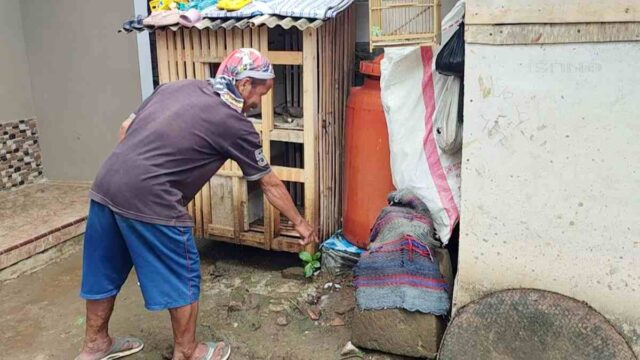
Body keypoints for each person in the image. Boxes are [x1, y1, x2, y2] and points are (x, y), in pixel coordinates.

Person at [76, 48, 318, 360]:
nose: (260, 102)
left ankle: (95, 345)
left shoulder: (176, 87)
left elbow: (125, 128)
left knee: (103, 268)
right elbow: (268, 182)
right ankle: (188, 352)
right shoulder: (234, 123)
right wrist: (300, 223)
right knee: (183, 273)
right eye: (263, 92)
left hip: (107, 184)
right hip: (153, 199)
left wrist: (134, 172)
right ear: (244, 84)